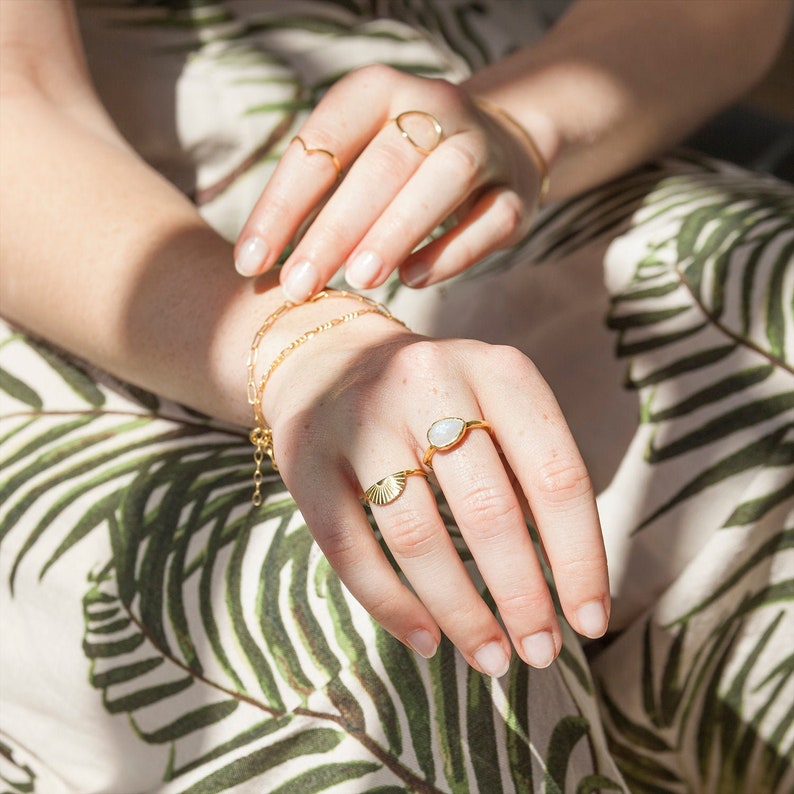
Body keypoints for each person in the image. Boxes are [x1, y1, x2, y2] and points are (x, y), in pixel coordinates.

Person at [1, 1, 792, 791]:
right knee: (365, 644)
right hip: (73, 238)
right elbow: (19, 97)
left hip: (476, 105)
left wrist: (523, 121)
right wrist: (303, 346)